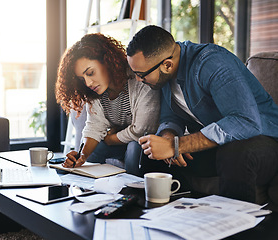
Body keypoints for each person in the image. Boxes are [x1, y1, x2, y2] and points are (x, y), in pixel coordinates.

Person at [126, 25, 278, 203]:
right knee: (145, 151)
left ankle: (237, 227)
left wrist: (178, 145)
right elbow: (170, 117)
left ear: (167, 65)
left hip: (264, 142)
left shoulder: (211, 63)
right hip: (219, 146)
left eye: (140, 74)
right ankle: (172, 215)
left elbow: (246, 121)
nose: (137, 80)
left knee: (234, 153)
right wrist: (168, 138)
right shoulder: (164, 76)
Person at [55, 33, 160, 176]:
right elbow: (94, 127)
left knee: (134, 147)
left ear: (107, 61)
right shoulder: (95, 92)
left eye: (90, 73)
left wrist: (111, 139)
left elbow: (142, 129)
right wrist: (82, 155)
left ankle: (133, 195)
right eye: (82, 79)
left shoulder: (138, 78)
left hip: (147, 143)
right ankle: (92, 193)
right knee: (94, 151)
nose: (88, 83)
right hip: (123, 140)